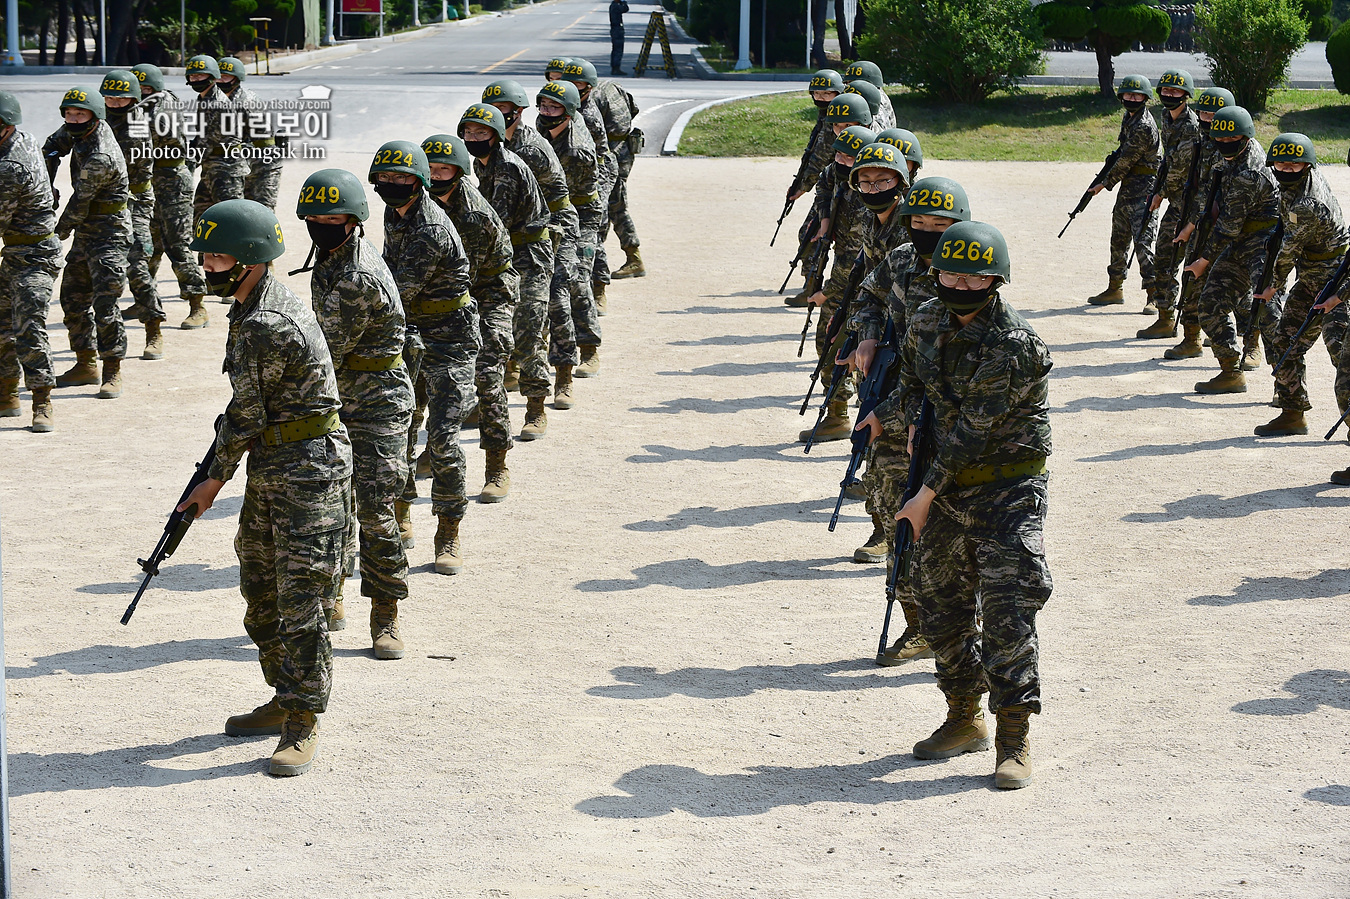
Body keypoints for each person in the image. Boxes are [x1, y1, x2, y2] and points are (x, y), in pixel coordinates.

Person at [180, 198, 352, 777]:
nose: (208, 265)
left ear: (250, 259)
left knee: (301, 602)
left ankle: (304, 721)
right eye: (204, 252)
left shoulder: (265, 323)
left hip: (308, 471)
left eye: (219, 254)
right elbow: (248, 413)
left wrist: (210, 481)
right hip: (277, 462)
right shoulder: (253, 304)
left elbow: (246, 414)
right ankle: (284, 696)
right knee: (260, 588)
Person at [895, 220, 1053, 790]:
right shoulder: (927, 319)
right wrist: (901, 416)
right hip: (946, 488)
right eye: (950, 273)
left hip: (1006, 487)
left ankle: (1013, 737)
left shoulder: (1015, 344)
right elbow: (914, 381)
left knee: (1009, 613)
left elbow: (972, 431)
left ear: (998, 280)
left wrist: (921, 496)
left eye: (975, 276)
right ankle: (963, 716)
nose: (960, 285)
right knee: (941, 606)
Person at [849, 178, 968, 666]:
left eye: (940, 225)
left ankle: (962, 633)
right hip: (894, 403)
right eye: (918, 223)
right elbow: (868, 297)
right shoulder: (898, 259)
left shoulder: (967, 273)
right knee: (894, 510)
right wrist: (869, 337)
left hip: (944, 415)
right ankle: (915, 625)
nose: (927, 233)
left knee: (947, 532)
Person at [296, 169, 414, 658]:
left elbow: (325, 348)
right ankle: (333, 595)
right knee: (332, 506)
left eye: (332, 217)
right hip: (341, 396)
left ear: (354, 221)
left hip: (377, 403)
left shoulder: (356, 275)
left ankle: (385, 614)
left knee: (374, 510)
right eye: (315, 217)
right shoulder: (331, 257)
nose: (322, 225)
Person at [369, 141, 479, 575]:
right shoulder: (394, 213)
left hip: (448, 338)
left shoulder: (431, 227)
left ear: (419, 181)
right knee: (402, 428)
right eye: (385, 178)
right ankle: (401, 511)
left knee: (444, 437)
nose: (392, 185)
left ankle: (448, 529)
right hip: (411, 333)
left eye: (401, 179)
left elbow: (396, 290)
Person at [426, 128, 520, 501]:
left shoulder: (474, 215)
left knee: (485, 373)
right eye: (428, 168)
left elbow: (470, 278)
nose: (434, 175)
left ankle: (497, 464)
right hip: (444, 296)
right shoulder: (413, 205)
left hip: (487, 295)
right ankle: (436, 451)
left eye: (443, 170)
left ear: (459, 173)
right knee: (425, 376)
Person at [483, 79, 575, 439]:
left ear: (518, 113)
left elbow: (551, 200)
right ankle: (507, 370)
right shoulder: (488, 149)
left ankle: (543, 398)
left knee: (547, 309)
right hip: (507, 238)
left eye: (503, 111)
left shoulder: (529, 151)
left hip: (545, 231)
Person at [1253, 134, 1347, 436]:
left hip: (1336, 281)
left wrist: (1273, 285)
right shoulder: (1291, 186)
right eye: (1280, 164)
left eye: (1294, 165)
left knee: (1342, 357)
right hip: (1311, 278)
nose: (1286, 169)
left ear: (1308, 166)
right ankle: (1293, 413)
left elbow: (1289, 251)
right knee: (1284, 342)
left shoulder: (1307, 202)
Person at [1181, 106, 1278, 393]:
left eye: (1231, 138)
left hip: (1263, 242)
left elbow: (1227, 225)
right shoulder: (1231, 157)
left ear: (1246, 136)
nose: (1224, 143)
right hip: (1239, 239)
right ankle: (1231, 371)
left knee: (1270, 313)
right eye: (1219, 139)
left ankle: (1287, 390)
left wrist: (1203, 260)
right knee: (1211, 302)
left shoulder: (1250, 172)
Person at [44, 85, 131, 400]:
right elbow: (51, 147)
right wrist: (48, 182)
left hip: (110, 231)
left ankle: (112, 371)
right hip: (87, 229)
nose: (73, 119)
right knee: (72, 298)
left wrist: (55, 234)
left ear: (94, 116)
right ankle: (85, 364)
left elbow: (79, 203)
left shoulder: (100, 153)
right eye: (68, 113)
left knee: (105, 304)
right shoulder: (78, 130)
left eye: (80, 114)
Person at [799, 121, 874, 444]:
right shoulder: (836, 173)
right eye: (839, 155)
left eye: (850, 158)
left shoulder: (865, 197)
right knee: (833, 344)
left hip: (860, 284)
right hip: (845, 270)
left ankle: (843, 416)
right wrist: (826, 217)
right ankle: (840, 412)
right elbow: (824, 184)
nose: (842, 162)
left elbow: (853, 263)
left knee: (839, 344)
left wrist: (824, 293)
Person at [537, 79, 603, 401]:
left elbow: (575, 201)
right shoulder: (538, 129)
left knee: (573, 281)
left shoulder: (578, 151)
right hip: (544, 215)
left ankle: (588, 346)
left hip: (579, 214)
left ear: (570, 112)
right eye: (543, 106)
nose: (546, 113)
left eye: (554, 108)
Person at [0, 90, 62, 432]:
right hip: (16, 252)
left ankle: (42, 402)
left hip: (34, 255)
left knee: (28, 329)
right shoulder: (22, 137)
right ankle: (7, 396)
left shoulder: (9, 166)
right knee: (2, 327)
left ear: (8, 126)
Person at [132, 63, 210, 330]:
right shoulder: (141, 108)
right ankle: (146, 298)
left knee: (178, 245)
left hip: (171, 183)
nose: (139, 93)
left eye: (143, 89)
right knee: (148, 244)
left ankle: (197, 305)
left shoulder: (161, 110)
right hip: (151, 183)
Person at [1162, 86, 1235, 361]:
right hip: (1202, 219)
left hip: (1224, 223)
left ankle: (1250, 346)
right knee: (1192, 274)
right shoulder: (1200, 139)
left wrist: (1189, 226)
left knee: (1235, 288)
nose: (1206, 118)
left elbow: (1211, 193)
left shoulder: (1227, 146)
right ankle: (1191, 338)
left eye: (1214, 114)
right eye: (1203, 112)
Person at [100, 69, 164, 361]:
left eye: (121, 98)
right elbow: (58, 141)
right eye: (109, 98)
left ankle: (153, 330)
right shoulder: (95, 119)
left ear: (134, 98)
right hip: (100, 204)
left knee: (137, 261)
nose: (114, 103)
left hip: (134, 200)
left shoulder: (139, 126)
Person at [1086, 74, 1161, 310]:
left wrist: (1103, 183)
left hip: (1145, 189)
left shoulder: (1143, 126)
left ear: (1145, 98)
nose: (1131, 98)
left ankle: (1154, 295)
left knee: (1143, 242)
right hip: (1129, 187)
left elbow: (1125, 161)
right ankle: (1114, 287)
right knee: (1119, 239)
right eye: (1128, 94)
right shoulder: (1129, 119)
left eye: (1136, 95)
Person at [1138, 69, 1201, 339]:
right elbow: (1169, 162)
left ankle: (1198, 330)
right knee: (1164, 258)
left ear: (1186, 95)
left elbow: (1181, 169)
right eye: (1166, 90)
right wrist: (1158, 191)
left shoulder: (1192, 127)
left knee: (1194, 267)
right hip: (1177, 202)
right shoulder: (1166, 117)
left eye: (1176, 92)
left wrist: (1161, 192)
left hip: (1194, 206)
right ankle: (1165, 317)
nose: (1170, 95)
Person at [564, 59, 620, 330]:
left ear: (588, 87)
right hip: (568, 188)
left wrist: (595, 195)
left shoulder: (587, 114)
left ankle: (599, 289)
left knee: (593, 241)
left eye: (578, 84)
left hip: (593, 181)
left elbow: (597, 158)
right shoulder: (557, 110)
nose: (573, 88)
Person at [784, 69, 846, 308]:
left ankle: (813, 289)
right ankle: (813, 287)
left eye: (827, 93)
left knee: (812, 234)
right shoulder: (834, 113)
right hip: (833, 185)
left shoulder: (839, 116)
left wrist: (803, 186)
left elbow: (821, 156)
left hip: (838, 188)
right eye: (817, 93)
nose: (821, 98)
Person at [186, 55, 248, 225]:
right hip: (212, 167)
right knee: (202, 216)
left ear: (212, 77)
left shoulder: (216, 103)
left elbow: (204, 143)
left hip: (226, 170)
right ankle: (204, 252)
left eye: (200, 75)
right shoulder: (205, 99)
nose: (195, 79)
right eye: (192, 76)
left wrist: (185, 166)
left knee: (229, 220)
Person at [218, 57, 284, 212]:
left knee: (261, 212)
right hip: (237, 164)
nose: (221, 80)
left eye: (226, 76)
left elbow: (263, 142)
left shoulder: (247, 101)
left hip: (263, 166)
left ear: (237, 78)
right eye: (218, 76)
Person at [843, 60, 895, 130]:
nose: (850, 85)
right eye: (848, 82)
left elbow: (883, 129)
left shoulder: (876, 99)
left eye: (855, 82)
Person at [609, 0, 630, 76]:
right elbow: (625, 9)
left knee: (616, 49)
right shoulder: (615, 6)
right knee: (618, 50)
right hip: (617, 29)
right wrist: (623, 2)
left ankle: (615, 67)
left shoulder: (614, 5)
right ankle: (616, 68)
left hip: (616, 29)